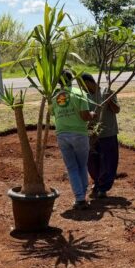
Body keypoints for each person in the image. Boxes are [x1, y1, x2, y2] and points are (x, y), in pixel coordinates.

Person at [51, 70, 96, 210]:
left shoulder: (55, 97)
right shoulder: (79, 93)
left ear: (59, 82)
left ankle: (80, 198)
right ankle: (83, 195)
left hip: (62, 135)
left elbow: (53, 113)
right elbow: (84, 116)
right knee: (82, 165)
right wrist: (93, 114)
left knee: (71, 167)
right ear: (72, 79)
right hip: (79, 134)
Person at [81, 73, 121, 198]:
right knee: (92, 162)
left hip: (108, 133)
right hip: (92, 135)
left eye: (83, 84)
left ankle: (103, 187)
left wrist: (109, 100)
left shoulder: (106, 91)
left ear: (90, 82)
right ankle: (97, 182)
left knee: (108, 161)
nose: (82, 87)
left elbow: (117, 110)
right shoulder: (84, 96)